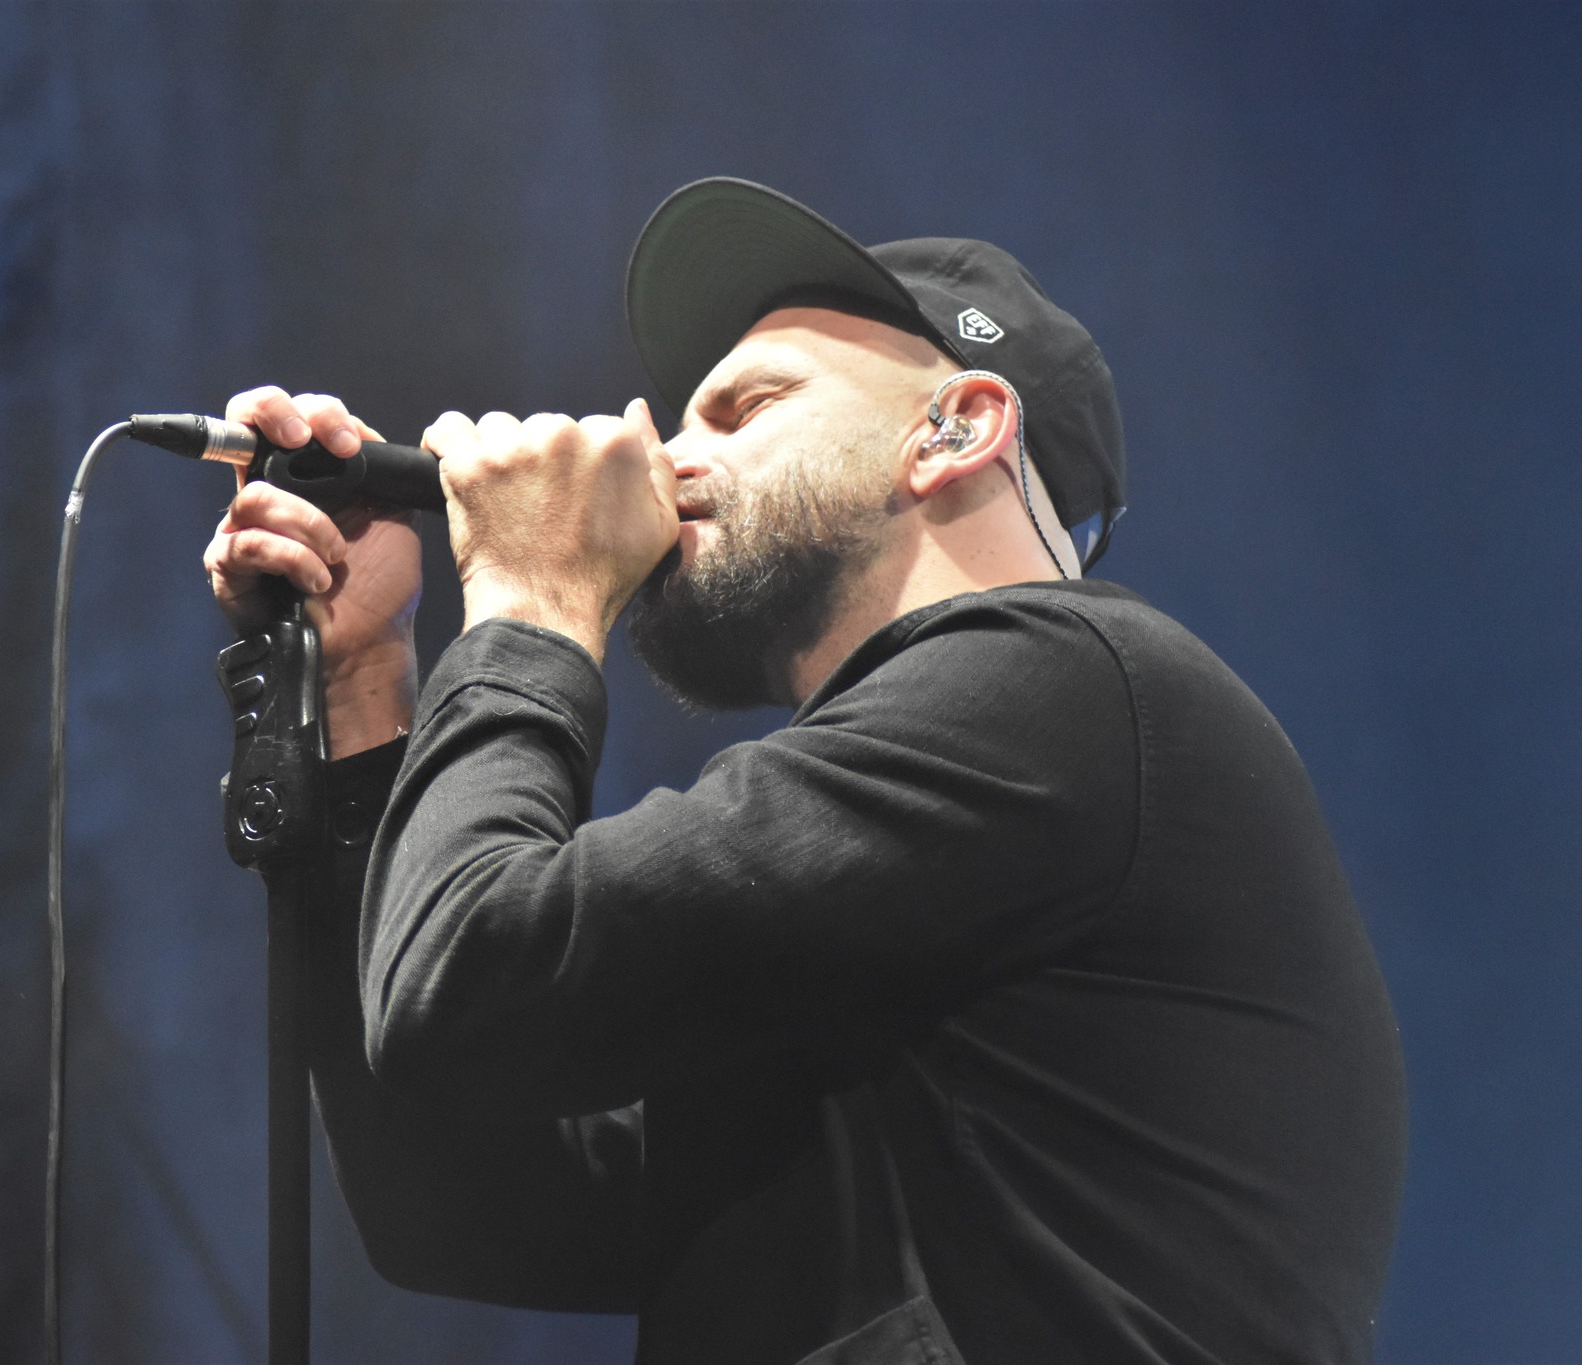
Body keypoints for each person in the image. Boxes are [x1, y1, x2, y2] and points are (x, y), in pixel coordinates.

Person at [202, 178, 1406, 1364]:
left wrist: (528, 600)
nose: (664, 456)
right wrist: (364, 687)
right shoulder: (914, 896)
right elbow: (467, 1213)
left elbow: (467, 986)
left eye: (742, 409)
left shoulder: (1069, 680)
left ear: (955, 429)